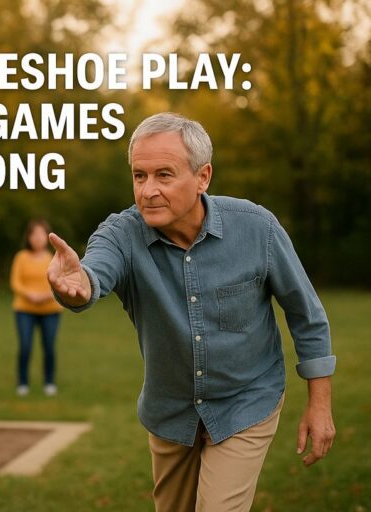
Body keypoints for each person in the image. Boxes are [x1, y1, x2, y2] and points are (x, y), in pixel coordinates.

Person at [47, 112, 336, 512]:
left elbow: (307, 316)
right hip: (170, 412)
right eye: (139, 176)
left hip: (246, 401)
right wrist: (78, 288)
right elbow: (94, 274)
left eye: (164, 175)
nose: (148, 191)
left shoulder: (257, 229)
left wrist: (319, 406)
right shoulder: (120, 234)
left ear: (203, 177)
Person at [10, 219, 64, 397]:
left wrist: (47, 295)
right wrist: (29, 295)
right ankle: (23, 383)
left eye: (41, 234)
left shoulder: (55, 258)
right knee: (25, 346)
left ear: (48, 237)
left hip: (50, 310)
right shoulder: (21, 258)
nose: (37, 238)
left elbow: (61, 281)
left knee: (49, 347)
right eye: (34, 234)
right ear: (29, 237)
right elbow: (15, 282)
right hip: (25, 309)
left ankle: (49, 382)